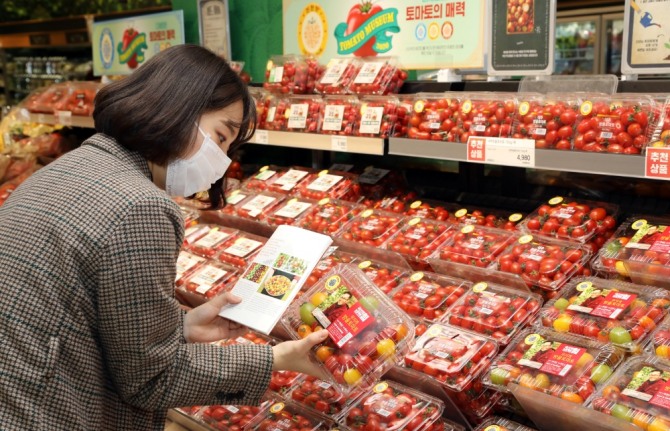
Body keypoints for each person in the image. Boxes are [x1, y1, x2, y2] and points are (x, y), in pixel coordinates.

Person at [0, 45, 328, 430]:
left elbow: (79, 309)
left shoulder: (70, 165)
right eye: (221, 138)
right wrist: (277, 358)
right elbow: (150, 380)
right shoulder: (142, 207)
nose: (222, 161)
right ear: (178, 108)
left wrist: (181, 328)